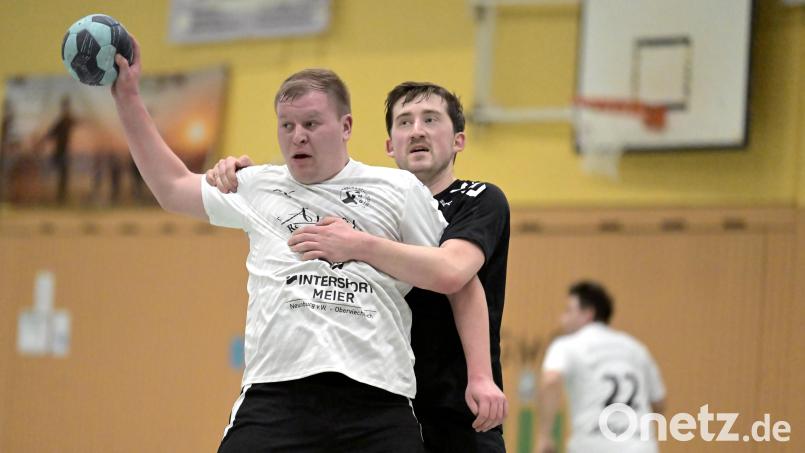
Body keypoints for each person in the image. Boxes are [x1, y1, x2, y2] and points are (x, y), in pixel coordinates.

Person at [111, 37, 502, 453]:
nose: (298, 136)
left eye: (311, 124)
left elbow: (457, 279)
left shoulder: (398, 189)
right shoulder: (256, 185)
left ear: (346, 126)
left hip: (376, 397)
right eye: (287, 126)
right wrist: (128, 96)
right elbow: (171, 187)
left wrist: (480, 375)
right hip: (277, 395)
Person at [208, 81, 511, 452]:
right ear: (389, 146)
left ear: (459, 140)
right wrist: (254, 181)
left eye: (430, 120)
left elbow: (455, 275)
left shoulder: (476, 200)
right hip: (386, 400)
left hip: (456, 404)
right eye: (404, 122)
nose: (416, 130)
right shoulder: (368, 206)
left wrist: (481, 376)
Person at [536, 281, 667, 453]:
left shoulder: (567, 345)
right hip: (640, 446)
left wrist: (544, 436)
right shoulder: (636, 349)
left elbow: (551, 381)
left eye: (568, 311)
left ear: (587, 314)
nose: (562, 318)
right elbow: (659, 403)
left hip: (594, 444)